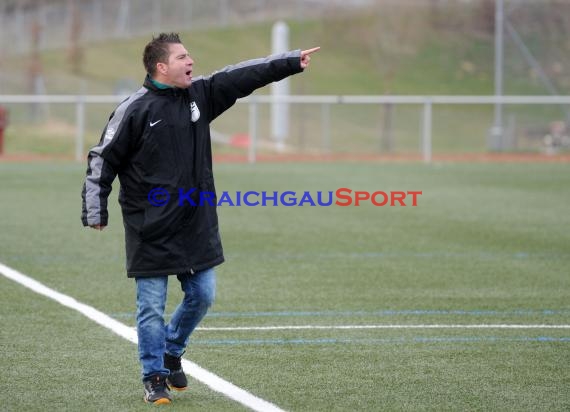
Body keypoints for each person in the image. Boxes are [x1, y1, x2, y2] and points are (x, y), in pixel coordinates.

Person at [81, 32, 319, 405]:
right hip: (150, 228)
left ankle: (172, 350)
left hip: (196, 223)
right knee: (150, 307)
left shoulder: (200, 95)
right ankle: (154, 376)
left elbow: (239, 77)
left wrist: (288, 62)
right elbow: (102, 157)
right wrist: (96, 207)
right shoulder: (135, 109)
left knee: (203, 296)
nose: (190, 61)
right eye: (182, 57)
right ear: (162, 66)